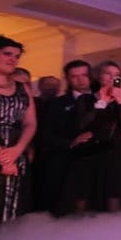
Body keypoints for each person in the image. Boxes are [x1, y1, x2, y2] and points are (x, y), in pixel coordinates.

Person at [65, 60, 121, 213]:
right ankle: (79, 232)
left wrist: (119, 102)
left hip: (114, 151)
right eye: (107, 73)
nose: (112, 77)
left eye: (116, 75)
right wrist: (101, 102)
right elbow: (81, 125)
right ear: (98, 76)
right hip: (89, 150)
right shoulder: (85, 99)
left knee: (113, 194)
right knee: (83, 194)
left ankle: (111, 232)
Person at [36, 60, 91, 215]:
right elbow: (44, 134)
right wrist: (70, 143)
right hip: (66, 164)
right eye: (74, 76)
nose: (80, 79)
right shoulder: (55, 104)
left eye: (84, 75)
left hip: (98, 162)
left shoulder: (104, 100)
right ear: (67, 78)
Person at [0, 36, 37, 223]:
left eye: (17, 56)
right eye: (7, 54)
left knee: (11, 210)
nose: (13, 59)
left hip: (15, 155)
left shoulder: (23, 88)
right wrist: (2, 156)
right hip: (2, 155)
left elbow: (30, 123)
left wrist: (17, 150)